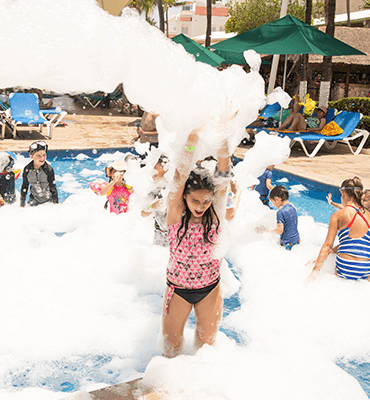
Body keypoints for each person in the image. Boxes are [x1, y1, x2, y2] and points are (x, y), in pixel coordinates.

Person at [162, 108, 237, 358]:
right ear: (185, 197)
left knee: (206, 353)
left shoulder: (214, 212)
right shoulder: (176, 215)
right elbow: (181, 173)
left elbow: (224, 169)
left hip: (210, 289)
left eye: (205, 201)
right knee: (170, 351)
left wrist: (222, 131)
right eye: (195, 200)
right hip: (178, 289)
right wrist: (192, 136)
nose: (201, 206)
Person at [307, 177, 370, 282]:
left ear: (343, 193)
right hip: (365, 269)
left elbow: (327, 245)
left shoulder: (338, 215)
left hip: (345, 268)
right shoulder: (368, 215)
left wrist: (314, 273)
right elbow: (354, 243)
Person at [257, 185, 300, 250]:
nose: (273, 205)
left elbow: (280, 230)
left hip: (287, 244)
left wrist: (266, 231)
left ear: (277, 199)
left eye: (272, 202)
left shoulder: (280, 212)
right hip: (297, 240)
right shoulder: (292, 208)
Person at [141, 155, 169, 246]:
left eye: (156, 168)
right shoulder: (154, 190)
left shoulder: (174, 186)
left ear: (167, 169)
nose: (153, 172)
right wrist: (152, 207)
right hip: (160, 232)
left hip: (177, 231)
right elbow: (143, 214)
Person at [20, 141, 59, 207]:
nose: (42, 158)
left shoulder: (48, 170)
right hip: (33, 201)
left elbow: (53, 189)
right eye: (39, 156)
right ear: (31, 156)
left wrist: (56, 205)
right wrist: (22, 205)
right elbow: (24, 187)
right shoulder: (27, 170)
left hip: (48, 201)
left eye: (44, 155)